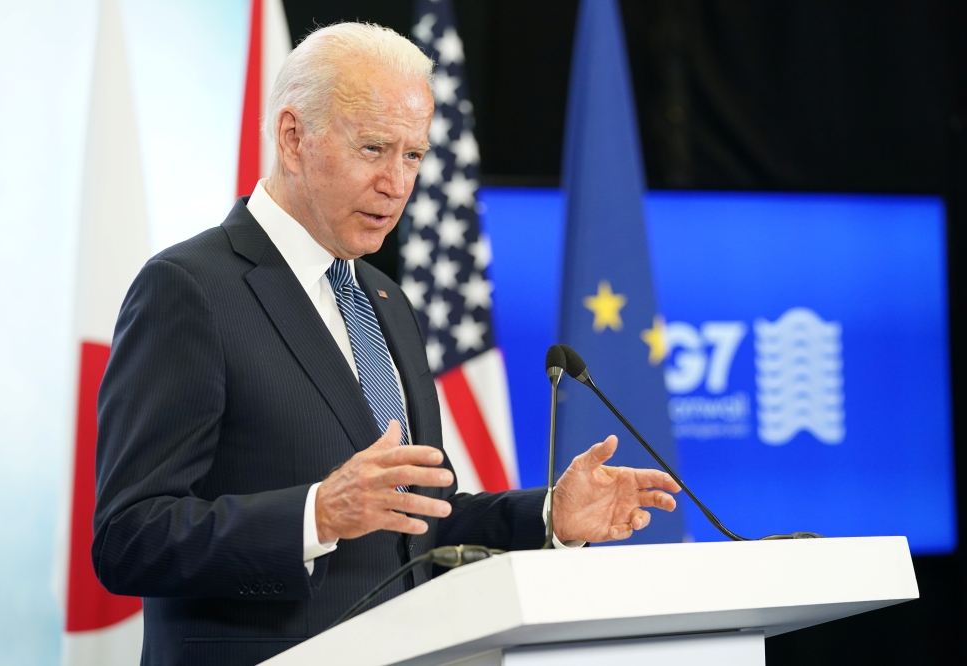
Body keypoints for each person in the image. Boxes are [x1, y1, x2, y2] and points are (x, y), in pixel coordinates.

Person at [92, 22, 680, 666]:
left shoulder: (386, 301)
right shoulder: (190, 290)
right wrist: (316, 515)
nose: (397, 183)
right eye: (374, 148)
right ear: (293, 138)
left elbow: (419, 521)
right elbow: (129, 537)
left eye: (413, 155)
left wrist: (549, 517)